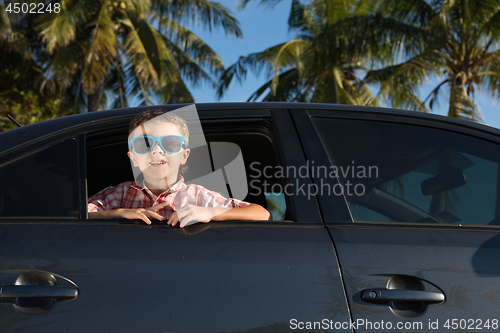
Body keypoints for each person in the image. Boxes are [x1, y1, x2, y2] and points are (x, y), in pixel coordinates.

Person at [88, 109, 270, 227]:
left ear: (184, 155)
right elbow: (77, 216)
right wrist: (119, 214)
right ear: (133, 158)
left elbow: (262, 214)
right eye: (145, 144)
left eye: (170, 143)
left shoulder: (198, 196)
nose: (157, 151)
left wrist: (209, 212)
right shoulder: (120, 194)